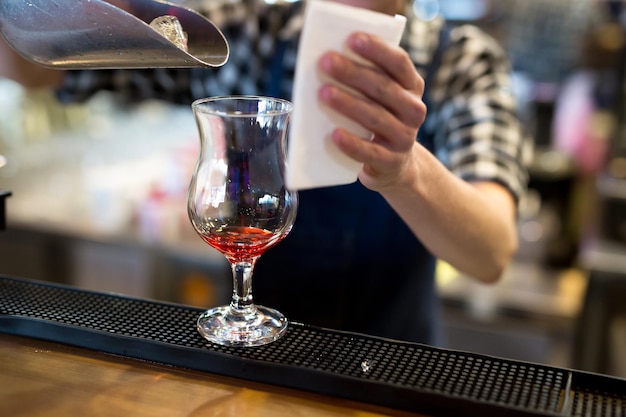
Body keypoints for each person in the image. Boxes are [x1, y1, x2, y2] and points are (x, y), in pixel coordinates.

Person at [0, 0, 527, 345]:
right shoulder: (245, 32)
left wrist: (406, 170)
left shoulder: (462, 62)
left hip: (395, 364)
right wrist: (38, 13)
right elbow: (34, 68)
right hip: (253, 359)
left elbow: (490, 252)